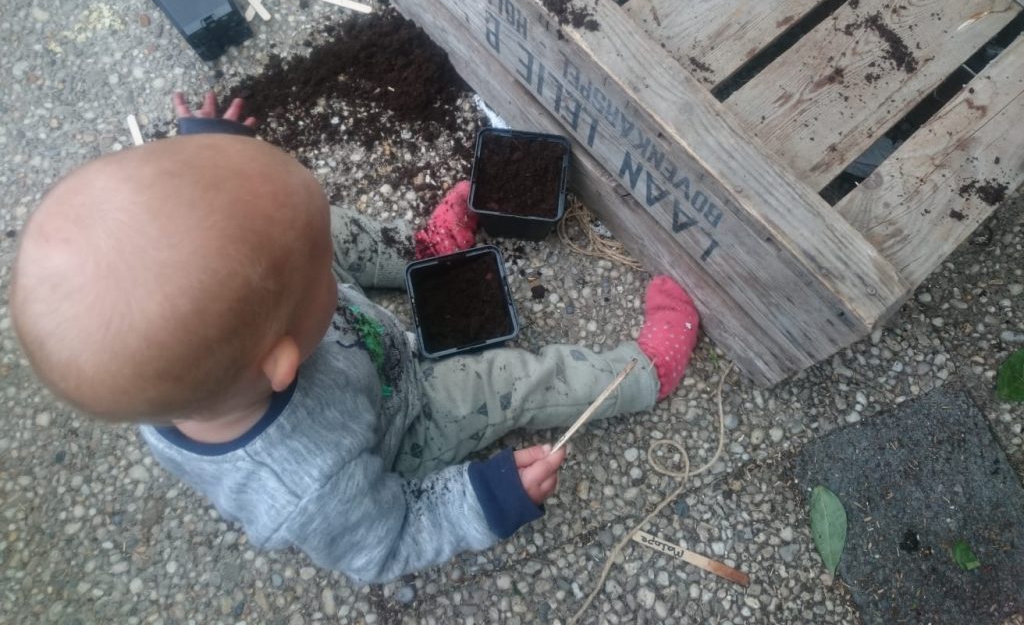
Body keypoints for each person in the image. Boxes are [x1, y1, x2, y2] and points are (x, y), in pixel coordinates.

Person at [9, 92, 700, 584]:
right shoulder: (312, 484)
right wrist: (481, 502)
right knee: (508, 382)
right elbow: (390, 540)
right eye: (316, 277)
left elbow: (174, 244)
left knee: (321, 226)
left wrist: (211, 166)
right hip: (407, 414)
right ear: (283, 361)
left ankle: (422, 253)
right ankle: (638, 374)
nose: (323, 267)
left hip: (344, 346)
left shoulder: (183, 360)